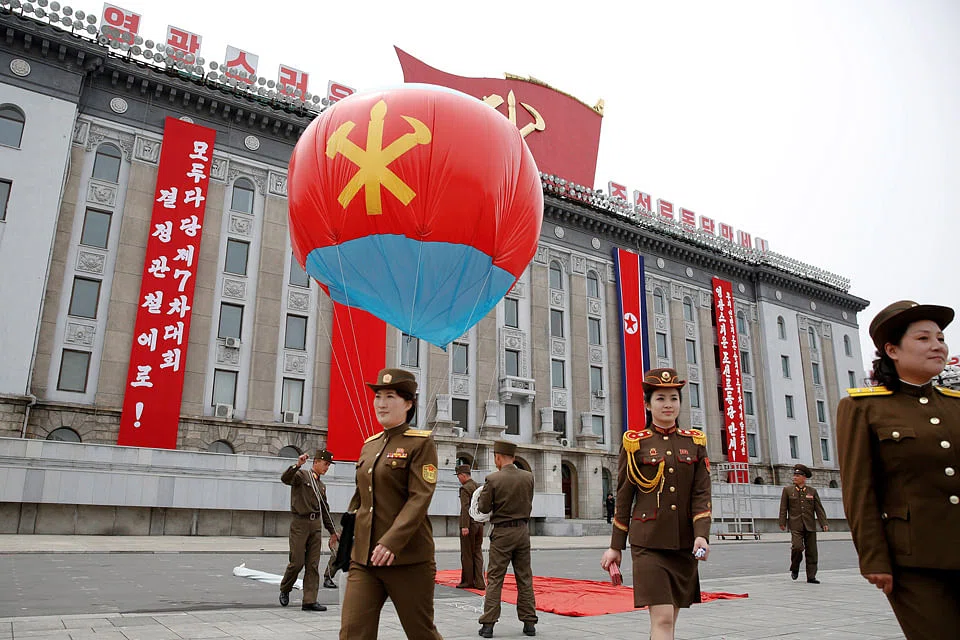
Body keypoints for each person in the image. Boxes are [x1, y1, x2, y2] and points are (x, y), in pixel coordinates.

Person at [836, 300, 960, 639]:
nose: (937, 345)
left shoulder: (955, 406)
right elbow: (860, 491)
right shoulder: (862, 408)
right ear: (892, 350)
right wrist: (874, 558)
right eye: (923, 338)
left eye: (940, 338)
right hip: (914, 562)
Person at [600, 368, 712, 640]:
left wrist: (702, 535)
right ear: (648, 405)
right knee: (662, 618)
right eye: (660, 398)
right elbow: (624, 497)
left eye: (673, 398)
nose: (668, 404)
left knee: (671, 618)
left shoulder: (694, 443)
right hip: (648, 543)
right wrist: (616, 546)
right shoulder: (635, 444)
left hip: (685, 544)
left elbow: (701, 493)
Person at [339, 368, 443, 640]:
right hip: (364, 559)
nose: (381, 403)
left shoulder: (420, 444)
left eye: (390, 397)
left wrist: (391, 542)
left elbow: (420, 497)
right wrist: (344, 535)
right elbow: (361, 497)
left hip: (407, 559)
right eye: (378, 396)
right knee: (352, 632)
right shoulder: (370, 445)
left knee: (421, 633)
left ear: (408, 404)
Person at [477, 440, 537, 638]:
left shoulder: (493, 479)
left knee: (495, 578)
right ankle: (529, 623)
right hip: (522, 531)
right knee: (524, 577)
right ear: (514, 456)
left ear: (498, 457)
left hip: (502, 532)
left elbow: (483, 508)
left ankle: (488, 625)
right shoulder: (528, 477)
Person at [279, 448, 339, 612]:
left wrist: (333, 532)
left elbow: (325, 510)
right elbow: (285, 479)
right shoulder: (302, 475)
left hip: (315, 525)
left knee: (313, 565)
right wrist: (297, 465)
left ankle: (309, 600)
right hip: (300, 523)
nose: (327, 467)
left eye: (329, 465)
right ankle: (285, 588)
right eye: (325, 464)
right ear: (316, 462)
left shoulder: (321, 486)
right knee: (297, 562)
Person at [778, 463, 828, 583]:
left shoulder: (812, 491)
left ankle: (811, 576)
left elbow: (819, 509)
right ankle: (795, 567)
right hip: (795, 525)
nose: (794, 477)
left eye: (797, 476)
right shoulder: (788, 490)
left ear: (804, 478)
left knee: (812, 552)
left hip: (810, 525)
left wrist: (823, 523)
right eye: (794, 475)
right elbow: (783, 508)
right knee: (797, 547)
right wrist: (782, 522)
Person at [455, 463, 485, 590]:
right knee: (477, 552)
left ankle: (468, 581)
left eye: (458, 476)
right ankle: (479, 582)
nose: (458, 478)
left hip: (469, 525)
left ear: (463, 475)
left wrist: (464, 526)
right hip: (479, 524)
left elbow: (465, 508)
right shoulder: (478, 486)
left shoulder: (465, 488)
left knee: (467, 553)